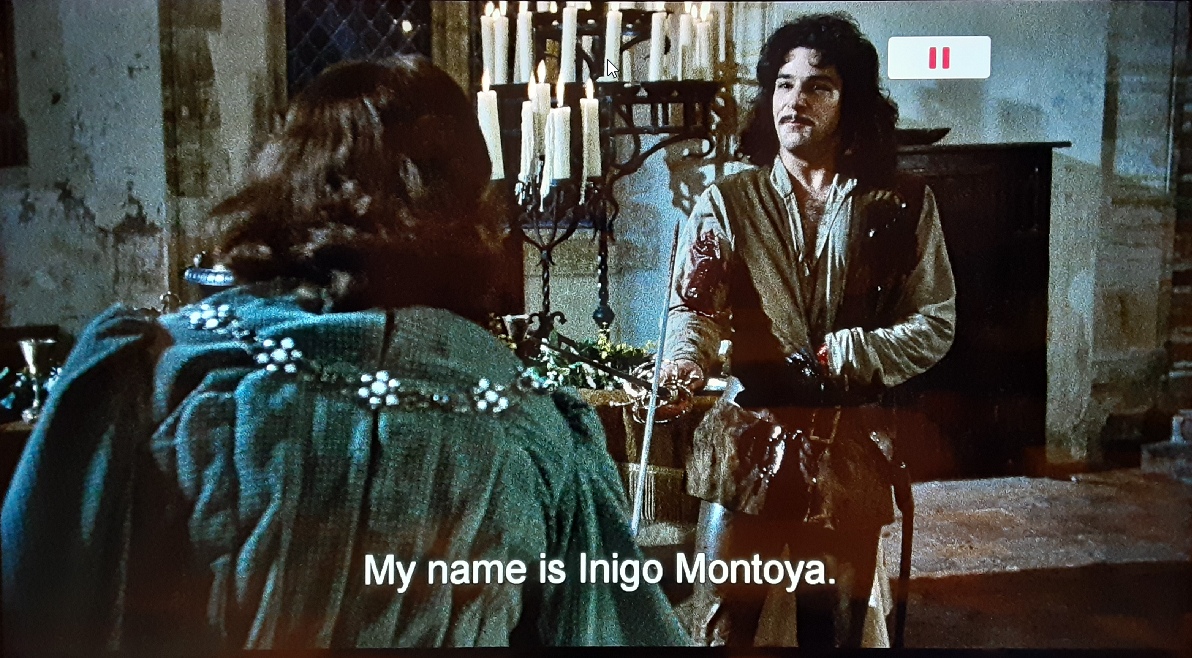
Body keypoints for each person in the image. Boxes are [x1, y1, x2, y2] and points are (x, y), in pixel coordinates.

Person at [1, 56, 688, 653]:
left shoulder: (154, 373)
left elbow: (35, 605)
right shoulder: (536, 428)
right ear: (469, 206)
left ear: (284, 178)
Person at [658, 14, 956, 647]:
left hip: (847, 451)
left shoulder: (900, 202)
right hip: (747, 449)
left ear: (852, 102)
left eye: (819, 86)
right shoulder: (728, 202)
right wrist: (683, 363)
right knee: (722, 630)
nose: (795, 101)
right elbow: (695, 309)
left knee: (837, 636)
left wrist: (850, 351)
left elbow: (935, 322)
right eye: (784, 84)